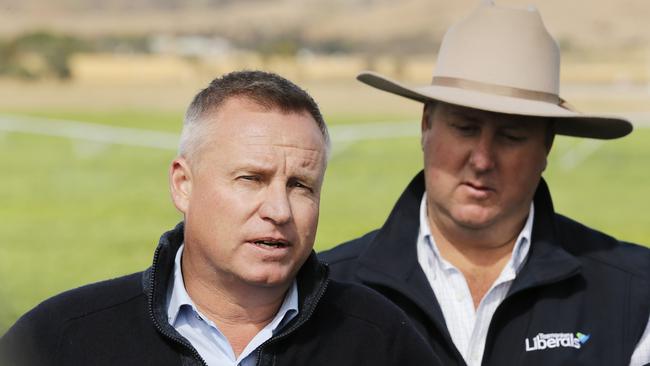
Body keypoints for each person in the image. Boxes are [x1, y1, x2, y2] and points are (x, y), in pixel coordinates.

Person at [0, 71, 440, 366]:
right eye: (251, 178)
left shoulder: (379, 340)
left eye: (300, 186)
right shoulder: (62, 340)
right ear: (182, 184)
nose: (279, 210)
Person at [319, 2, 650, 366]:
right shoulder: (327, 293)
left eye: (511, 136)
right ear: (426, 125)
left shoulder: (633, 295)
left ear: (547, 146)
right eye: (465, 128)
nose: (482, 159)